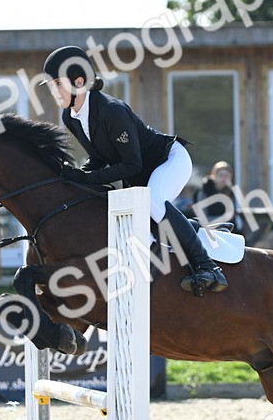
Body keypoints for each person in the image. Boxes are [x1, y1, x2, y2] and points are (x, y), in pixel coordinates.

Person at [40, 45, 226, 295]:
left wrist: (87, 176)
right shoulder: (70, 116)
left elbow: (131, 164)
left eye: (57, 84)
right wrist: (75, 176)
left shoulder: (112, 111)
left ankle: (208, 267)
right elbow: (98, 157)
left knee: (153, 202)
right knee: (143, 222)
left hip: (168, 161)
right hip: (139, 174)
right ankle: (194, 231)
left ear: (79, 81)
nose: (54, 91)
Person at [193, 161, 241, 228]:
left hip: (227, 227)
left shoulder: (231, 191)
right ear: (214, 175)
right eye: (221, 175)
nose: (223, 178)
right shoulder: (204, 189)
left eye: (226, 176)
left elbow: (233, 215)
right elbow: (202, 217)